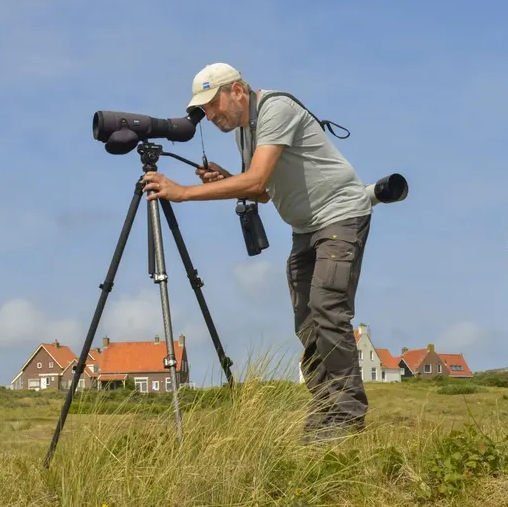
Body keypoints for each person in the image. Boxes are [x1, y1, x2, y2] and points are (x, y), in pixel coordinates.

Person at [142, 62, 373, 441]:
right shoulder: (244, 134)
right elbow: (261, 192)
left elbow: (258, 179)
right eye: (204, 110)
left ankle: (347, 420)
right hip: (306, 228)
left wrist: (182, 192)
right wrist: (228, 179)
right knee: (308, 322)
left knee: (327, 309)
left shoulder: (276, 109)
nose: (210, 116)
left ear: (237, 90)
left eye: (213, 104)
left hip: (341, 215)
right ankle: (324, 413)